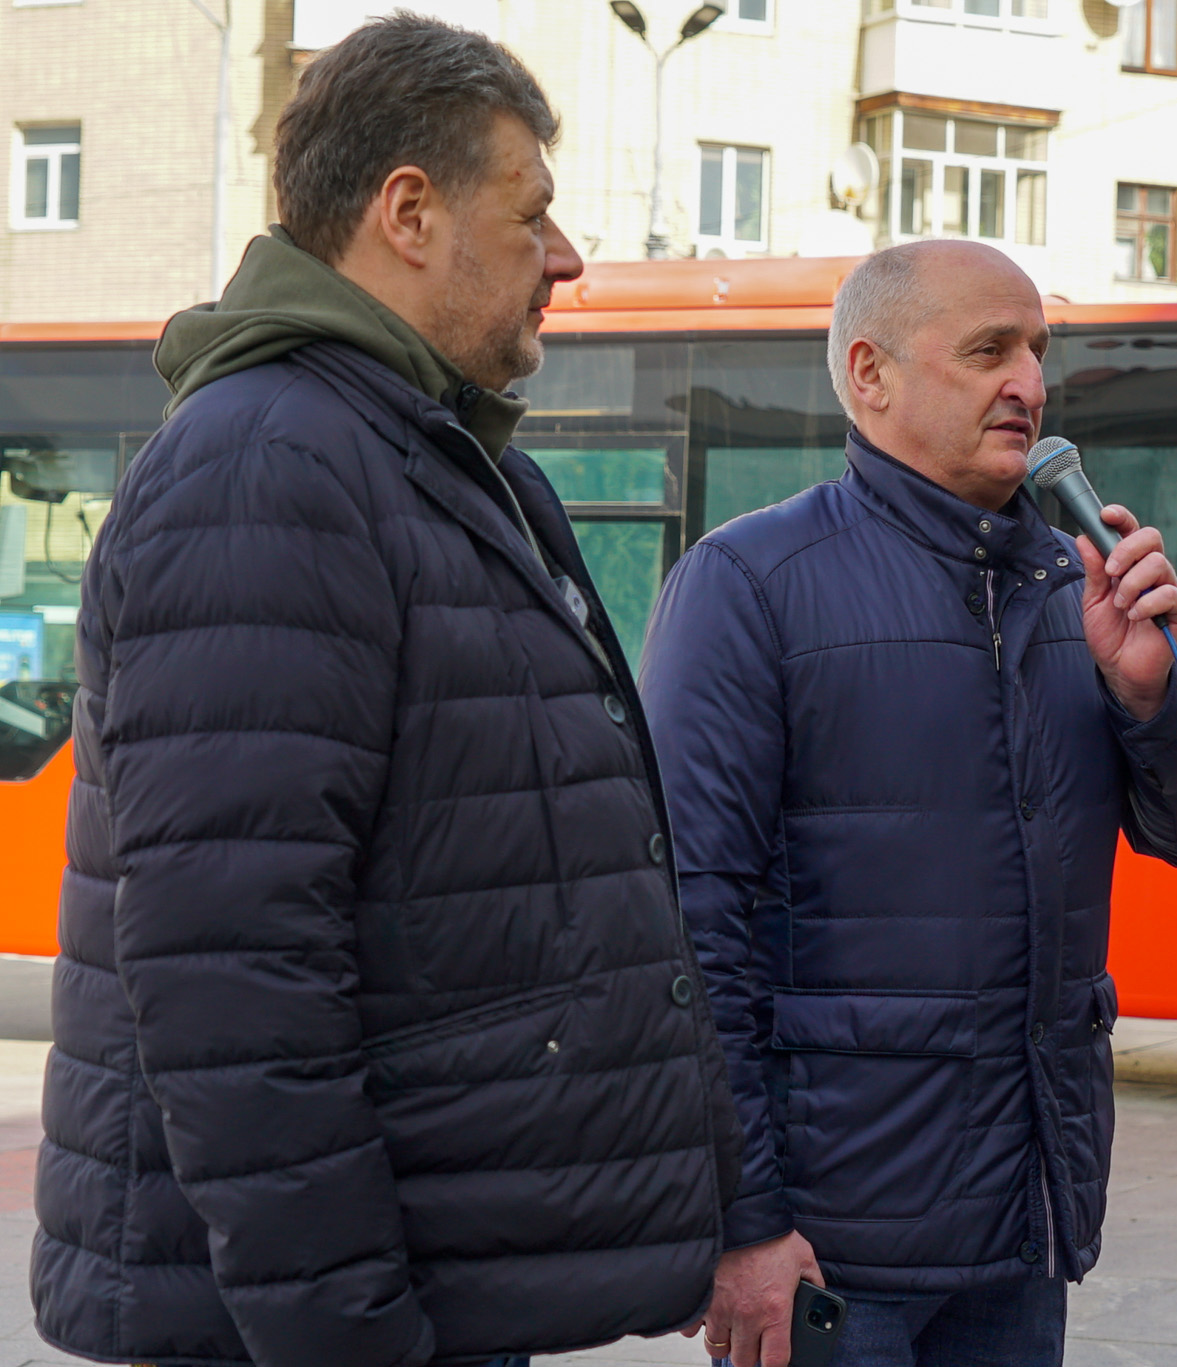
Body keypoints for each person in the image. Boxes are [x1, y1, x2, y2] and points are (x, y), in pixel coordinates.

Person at [31, 16, 739, 1367]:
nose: (569, 256)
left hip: (431, 1285)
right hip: (300, 1325)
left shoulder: (435, 462)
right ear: (408, 213)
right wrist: (352, 1339)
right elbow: (239, 985)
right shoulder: (267, 471)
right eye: (532, 212)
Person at [639, 239, 1177, 1367]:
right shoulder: (750, 585)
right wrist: (744, 1223)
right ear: (870, 373)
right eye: (986, 351)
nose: (1026, 382)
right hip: (830, 1254)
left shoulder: (1079, 585)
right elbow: (685, 929)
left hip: (1022, 1232)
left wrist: (1148, 692)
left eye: (1035, 351)